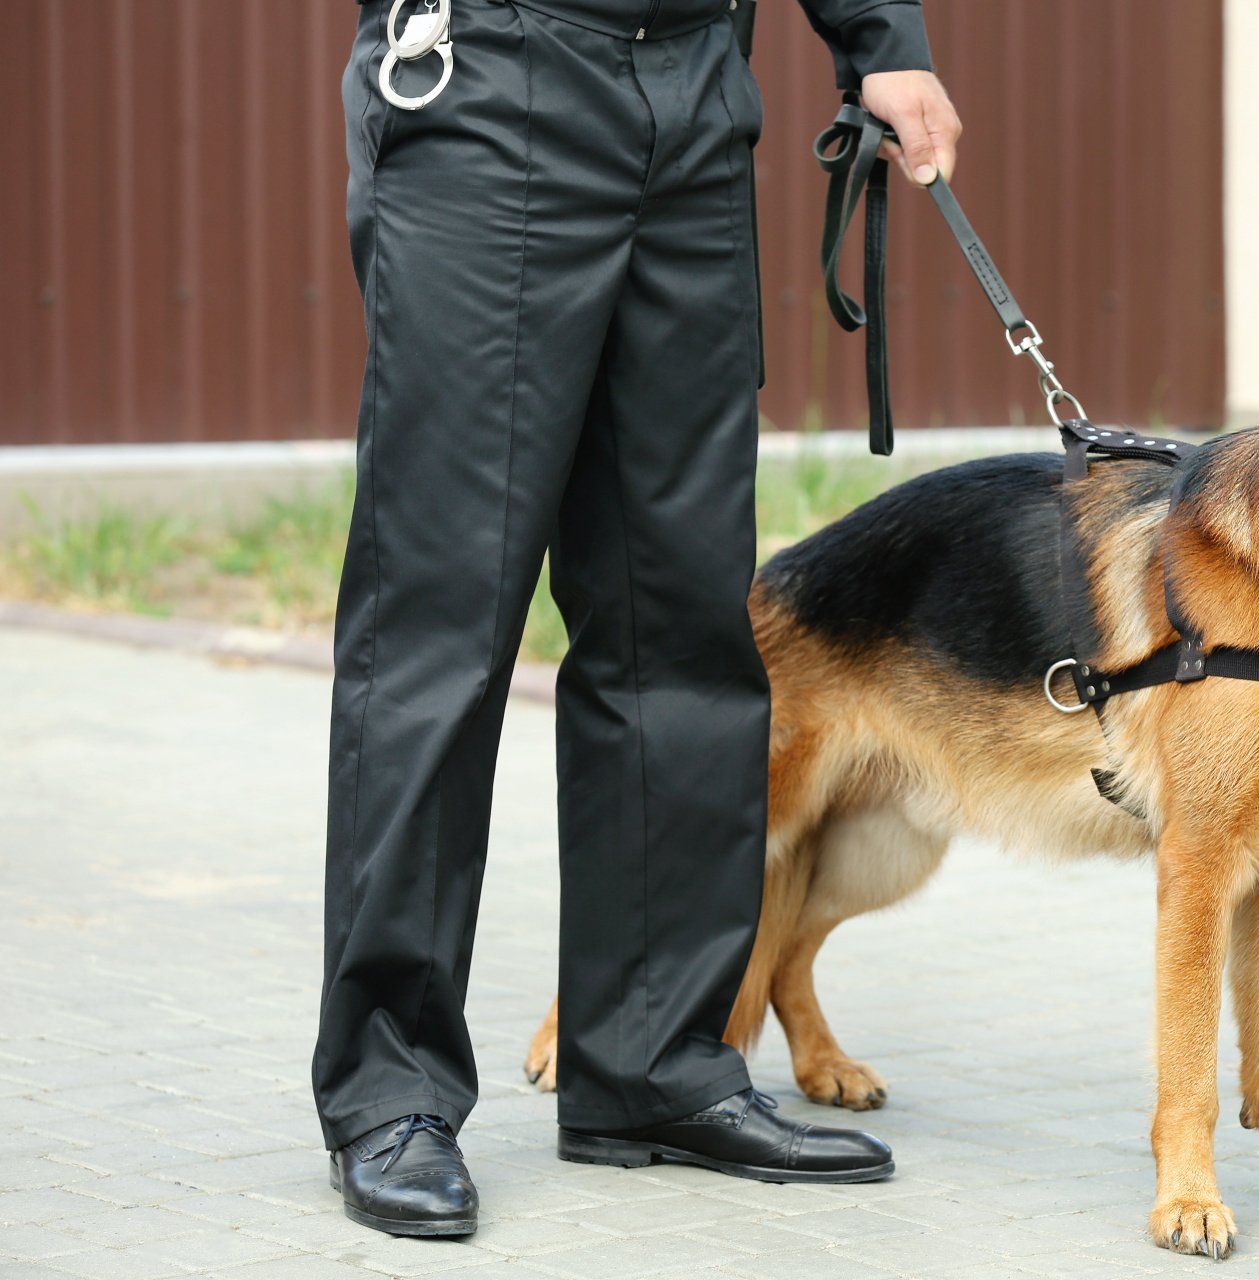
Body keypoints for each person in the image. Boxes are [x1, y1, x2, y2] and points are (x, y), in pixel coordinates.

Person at [316, 0, 961, 1237]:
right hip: (490, 82)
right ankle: (387, 1087)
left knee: (680, 619)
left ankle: (654, 1061)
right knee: (440, 623)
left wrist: (883, 40)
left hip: (695, 93)